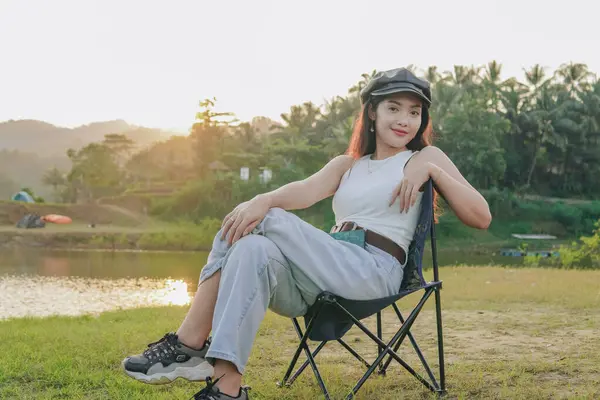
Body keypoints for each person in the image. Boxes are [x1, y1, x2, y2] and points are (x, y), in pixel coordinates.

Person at [122, 68, 492, 399]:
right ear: (373, 113)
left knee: (265, 216)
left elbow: (481, 217)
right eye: (394, 108)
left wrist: (431, 169)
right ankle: (226, 389)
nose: (405, 120)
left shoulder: (425, 158)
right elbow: (303, 190)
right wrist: (264, 199)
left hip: (373, 273)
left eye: (414, 112)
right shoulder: (347, 165)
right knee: (250, 246)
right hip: (326, 269)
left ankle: (188, 342)